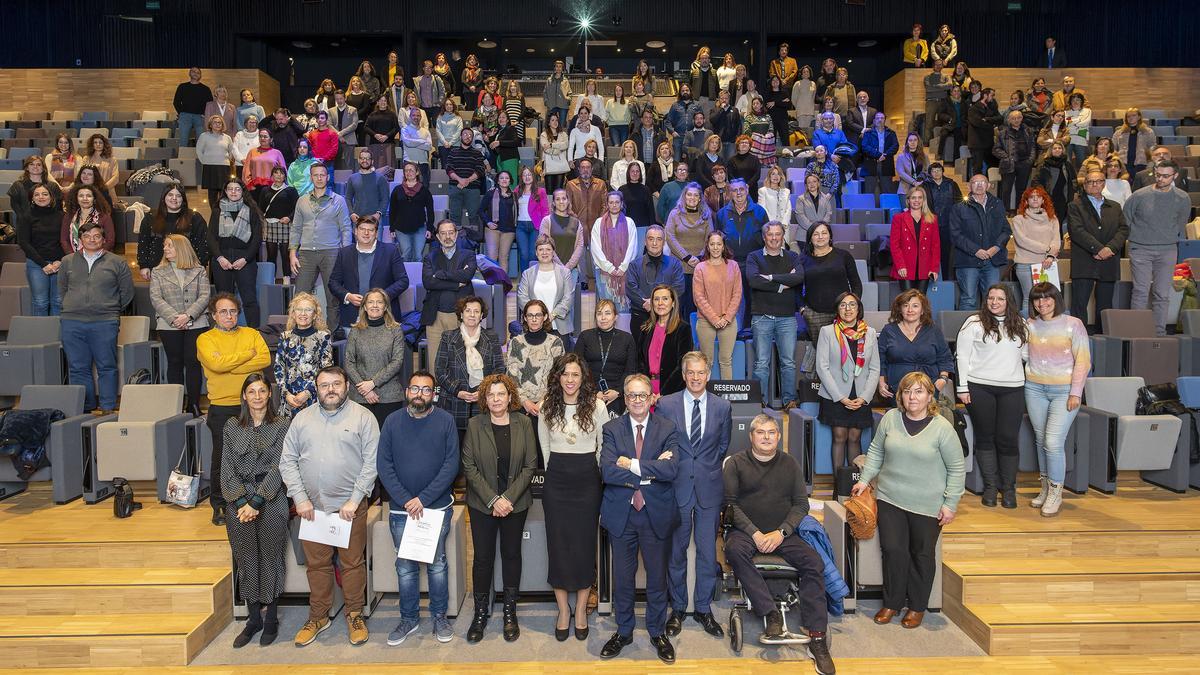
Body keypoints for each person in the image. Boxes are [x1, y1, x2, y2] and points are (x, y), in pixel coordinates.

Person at [724, 414, 835, 673]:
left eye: (771, 432)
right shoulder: (736, 464)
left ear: (779, 436)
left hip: (782, 533)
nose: (766, 437)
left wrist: (781, 532)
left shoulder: (790, 464)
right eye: (760, 432)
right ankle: (770, 611)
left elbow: (801, 505)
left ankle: (817, 637)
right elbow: (730, 505)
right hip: (746, 533)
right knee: (733, 550)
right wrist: (755, 533)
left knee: (813, 562)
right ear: (751, 436)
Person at [853, 371, 964, 630]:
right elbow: (876, 451)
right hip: (890, 497)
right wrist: (864, 478)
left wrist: (950, 504)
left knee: (922, 555)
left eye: (919, 391)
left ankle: (916, 606)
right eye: (907, 391)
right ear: (900, 395)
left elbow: (957, 469)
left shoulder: (942, 428)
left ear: (929, 396)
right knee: (893, 551)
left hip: (928, 504)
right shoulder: (890, 419)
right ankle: (891, 602)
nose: (912, 397)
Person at [280, 366, 379, 647]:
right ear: (317, 388)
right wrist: (299, 498)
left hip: (350, 508)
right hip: (313, 510)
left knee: (351, 564)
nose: (331, 389)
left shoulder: (363, 417)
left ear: (347, 387)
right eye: (324, 385)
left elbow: (372, 462)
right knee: (317, 565)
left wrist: (355, 498)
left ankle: (354, 614)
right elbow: (287, 460)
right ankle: (319, 616)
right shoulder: (302, 419)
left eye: (336, 384)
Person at [598, 373, 681, 664]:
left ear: (652, 397)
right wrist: (652, 469)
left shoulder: (667, 428)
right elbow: (608, 472)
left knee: (657, 578)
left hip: (655, 514)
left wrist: (631, 465)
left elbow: (672, 471)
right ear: (624, 396)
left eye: (642, 395)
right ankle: (624, 631)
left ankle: (658, 632)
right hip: (622, 515)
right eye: (631, 395)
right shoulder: (612, 428)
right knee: (622, 579)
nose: (636, 400)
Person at [456, 372, 539, 644]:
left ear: (510, 396)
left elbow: (530, 466)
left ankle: (509, 611)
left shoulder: (524, 423)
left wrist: (508, 499)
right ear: (484, 398)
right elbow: (469, 466)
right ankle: (480, 613)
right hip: (482, 505)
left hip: (516, 504)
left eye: (501, 394)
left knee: (512, 555)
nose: (496, 399)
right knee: (482, 558)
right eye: (490, 395)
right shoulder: (475, 424)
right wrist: (493, 500)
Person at [655, 351, 731, 638]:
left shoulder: (723, 407)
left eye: (701, 373)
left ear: (708, 375)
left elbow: (722, 447)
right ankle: (677, 608)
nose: (696, 378)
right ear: (684, 375)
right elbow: (662, 443)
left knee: (707, 552)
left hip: (709, 489)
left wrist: (705, 469)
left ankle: (703, 608)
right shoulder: (666, 404)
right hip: (676, 488)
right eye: (691, 373)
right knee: (676, 553)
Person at [537, 353, 610, 639]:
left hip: (587, 480)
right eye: (565, 374)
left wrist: (596, 476)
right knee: (557, 545)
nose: (570, 380)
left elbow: (603, 445)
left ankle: (580, 609)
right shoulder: (547, 406)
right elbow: (544, 444)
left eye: (575, 375)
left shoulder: (597, 406)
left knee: (582, 546)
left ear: (583, 378)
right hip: (557, 480)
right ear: (558, 377)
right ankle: (563, 610)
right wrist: (554, 470)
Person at [219, 373, 290, 648]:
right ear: (244, 396)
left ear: (269, 394)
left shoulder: (283, 424)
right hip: (239, 501)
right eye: (252, 392)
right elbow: (226, 467)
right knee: (246, 559)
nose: (258, 396)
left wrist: (257, 502)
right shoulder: (231, 426)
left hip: (270, 498)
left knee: (271, 557)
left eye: (262, 391)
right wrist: (240, 503)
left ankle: (271, 617)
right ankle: (253, 619)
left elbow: (279, 465)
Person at [197, 293, 271, 525]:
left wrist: (230, 365)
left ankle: (256, 501)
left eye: (233, 311)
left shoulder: (251, 334)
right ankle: (219, 505)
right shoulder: (205, 339)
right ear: (213, 315)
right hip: (222, 405)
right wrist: (247, 356)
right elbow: (216, 365)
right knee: (223, 458)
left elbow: (265, 359)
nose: (229, 316)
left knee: (259, 454)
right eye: (223, 312)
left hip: (254, 405)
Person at [957, 284, 1029, 508]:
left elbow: (1026, 355)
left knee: (1007, 439)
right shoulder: (974, 323)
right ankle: (989, 487)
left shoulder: (1022, 324)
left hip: (1013, 388)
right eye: (991, 298)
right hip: (980, 387)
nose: (994, 302)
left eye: (1000, 298)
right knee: (985, 437)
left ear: (1009, 301)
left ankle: (1008, 489)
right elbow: (962, 356)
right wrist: (962, 388)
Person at [58, 219, 133, 417]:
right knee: (77, 367)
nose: (92, 239)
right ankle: (85, 408)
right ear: (80, 239)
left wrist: (111, 309)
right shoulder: (67, 262)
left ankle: (108, 408)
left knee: (106, 366)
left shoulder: (117, 262)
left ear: (103, 238)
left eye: (96, 236)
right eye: (87, 236)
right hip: (72, 322)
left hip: (105, 321)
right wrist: (70, 306)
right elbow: (62, 289)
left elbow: (127, 293)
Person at [1124, 160, 1191, 336]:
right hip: (1140, 249)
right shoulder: (1139, 195)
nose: (1160, 178)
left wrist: (1168, 237)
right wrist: (1138, 239)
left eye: (1165, 176)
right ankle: (1136, 333)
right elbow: (1126, 220)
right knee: (1140, 291)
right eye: (1158, 174)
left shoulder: (1183, 198)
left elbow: (1181, 222)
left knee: (1162, 293)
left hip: (1167, 250)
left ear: (1175, 175)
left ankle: (1159, 334)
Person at [816, 291, 880, 468]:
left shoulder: (870, 333)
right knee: (839, 437)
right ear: (837, 309)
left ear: (859, 308)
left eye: (852, 304)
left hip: (860, 395)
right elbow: (822, 367)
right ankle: (840, 490)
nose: (848, 309)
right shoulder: (827, 332)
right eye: (843, 305)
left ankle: (854, 488)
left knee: (855, 437)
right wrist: (840, 397)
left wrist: (865, 397)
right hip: (835, 395)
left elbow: (875, 368)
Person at [149, 235, 210, 415]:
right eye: (164, 246)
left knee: (193, 362)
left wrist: (188, 315)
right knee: (174, 362)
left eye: (169, 246)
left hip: (197, 322)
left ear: (181, 248)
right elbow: (156, 298)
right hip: (169, 324)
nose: (165, 249)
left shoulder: (199, 270)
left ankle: (193, 404)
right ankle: (175, 406)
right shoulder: (158, 271)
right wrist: (175, 317)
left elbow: (205, 296)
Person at [748, 222, 803, 408]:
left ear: (783, 236)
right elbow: (754, 281)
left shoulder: (793, 256)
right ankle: (760, 402)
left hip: (786, 317)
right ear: (764, 237)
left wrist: (770, 278)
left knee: (788, 362)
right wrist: (783, 284)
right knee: (761, 363)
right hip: (761, 316)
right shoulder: (753, 257)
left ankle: (789, 401)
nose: (774, 238)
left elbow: (798, 278)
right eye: (770, 234)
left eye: (777, 234)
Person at [290, 163, 352, 328]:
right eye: (315, 175)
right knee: (300, 297)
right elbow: (295, 228)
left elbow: (346, 228)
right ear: (311, 177)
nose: (319, 178)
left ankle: (330, 336)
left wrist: (345, 255)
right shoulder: (302, 201)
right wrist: (292, 253)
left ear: (328, 177)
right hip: (306, 254)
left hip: (331, 253)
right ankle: (300, 334)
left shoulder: (338, 201)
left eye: (322, 175)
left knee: (332, 298)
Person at [1068, 170, 1128, 332]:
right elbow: (1077, 230)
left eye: (1098, 181)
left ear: (1104, 183)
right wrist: (1099, 248)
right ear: (1084, 185)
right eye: (1090, 182)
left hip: (1108, 261)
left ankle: (1103, 340)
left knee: (1105, 305)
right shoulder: (1075, 206)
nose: (1094, 184)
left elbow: (1123, 230)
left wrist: (1110, 248)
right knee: (1079, 305)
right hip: (1084, 261)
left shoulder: (1115, 206)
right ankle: (1079, 340)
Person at [436, 295, 504, 436]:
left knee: (481, 451)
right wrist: (458, 392)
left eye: (476, 311)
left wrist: (484, 391)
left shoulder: (492, 338)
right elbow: (440, 371)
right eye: (468, 311)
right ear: (461, 314)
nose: (472, 315)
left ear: (481, 315)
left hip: (483, 403)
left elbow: (499, 369)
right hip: (454, 403)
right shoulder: (448, 337)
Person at [328, 214, 408, 332]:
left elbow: (403, 281)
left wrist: (381, 297)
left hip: (385, 317)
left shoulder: (391, 251)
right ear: (355, 231)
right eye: (362, 229)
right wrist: (348, 296)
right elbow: (333, 282)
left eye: (370, 230)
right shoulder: (344, 253)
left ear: (376, 233)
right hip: (352, 316)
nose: (366, 233)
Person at [344, 288, 409, 427]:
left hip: (389, 396)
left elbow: (397, 362)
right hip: (360, 396)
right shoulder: (356, 330)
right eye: (371, 302)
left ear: (385, 307)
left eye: (379, 302)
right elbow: (349, 362)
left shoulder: (396, 330)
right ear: (365, 307)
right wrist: (365, 389)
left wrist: (372, 383)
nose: (374, 305)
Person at [877, 290, 954, 402]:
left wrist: (942, 380)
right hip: (897, 389)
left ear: (922, 310)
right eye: (905, 305)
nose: (910, 310)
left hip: (928, 389)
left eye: (915, 306)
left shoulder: (933, 330)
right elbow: (880, 359)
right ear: (900, 309)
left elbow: (945, 358)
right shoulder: (889, 330)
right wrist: (881, 381)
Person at [949, 174, 1012, 310]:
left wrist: (996, 247)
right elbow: (955, 235)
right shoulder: (959, 207)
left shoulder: (997, 204)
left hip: (992, 260)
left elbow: (1006, 230)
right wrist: (976, 250)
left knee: (993, 300)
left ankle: (991, 330)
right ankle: (967, 331)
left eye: (982, 182)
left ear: (988, 185)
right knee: (969, 299)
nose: (979, 185)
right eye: (975, 182)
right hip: (968, 261)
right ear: (968, 186)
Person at [208, 178, 263, 327]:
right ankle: (224, 331)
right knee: (224, 301)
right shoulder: (217, 210)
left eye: (237, 189)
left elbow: (257, 238)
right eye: (230, 189)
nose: (233, 192)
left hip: (245, 259)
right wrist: (220, 258)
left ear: (242, 192)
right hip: (222, 260)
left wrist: (245, 259)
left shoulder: (250, 211)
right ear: (225, 191)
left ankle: (254, 332)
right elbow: (211, 237)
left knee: (249, 299)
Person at [422, 220, 479, 363]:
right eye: (443, 233)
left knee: (460, 361)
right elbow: (428, 282)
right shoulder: (430, 257)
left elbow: (467, 276)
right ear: (438, 236)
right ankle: (437, 387)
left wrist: (441, 275)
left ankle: (460, 387)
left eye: (451, 233)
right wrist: (456, 284)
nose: (447, 236)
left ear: (456, 234)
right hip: (435, 316)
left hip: (460, 316)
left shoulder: (469, 255)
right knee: (435, 362)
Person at [799, 222, 863, 343]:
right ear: (810, 238)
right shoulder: (802, 259)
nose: (820, 237)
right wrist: (803, 309)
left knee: (843, 352)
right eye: (816, 234)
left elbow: (856, 284)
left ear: (830, 236)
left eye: (824, 233)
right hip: (815, 314)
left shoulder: (843, 256)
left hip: (843, 312)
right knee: (820, 352)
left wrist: (853, 306)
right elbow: (796, 288)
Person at [573, 300, 640, 416]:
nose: (603, 317)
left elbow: (630, 371)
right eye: (599, 313)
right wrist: (593, 393)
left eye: (608, 313)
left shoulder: (627, 339)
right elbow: (577, 368)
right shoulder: (585, 336)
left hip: (618, 393)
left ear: (615, 317)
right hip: (588, 392)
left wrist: (618, 392)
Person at [274, 292, 333, 419]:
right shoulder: (285, 337)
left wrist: (307, 392)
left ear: (315, 315)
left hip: (313, 398)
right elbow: (279, 368)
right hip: (289, 399)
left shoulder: (323, 337)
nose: (303, 313)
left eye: (308, 310)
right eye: (299, 309)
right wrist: (286, 394)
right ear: (293, 314)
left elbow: (326, 370)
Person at [693, 231, 742, 380]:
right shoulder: (700, 268)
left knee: (726, 361)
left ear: (723, 246)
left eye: (718, 244)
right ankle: (704, 398)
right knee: (706, 362)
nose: (715, 247)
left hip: (728, 321)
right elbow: (698, 297)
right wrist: (715, 319)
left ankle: (726, 400)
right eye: (712, 244)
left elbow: (737, 294)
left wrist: (726, 318)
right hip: (705, 321)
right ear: (707, 246)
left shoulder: (733, 266)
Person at [507, 298, 566, 419]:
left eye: (538, 315)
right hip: (521, 407)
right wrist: (525, 402)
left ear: (544, 317)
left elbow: (559, 376)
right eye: (530, 315)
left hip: (549, 405)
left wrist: (543, 402)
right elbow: (511, 376)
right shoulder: (516, 342)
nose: (534, 319)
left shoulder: (555, 342)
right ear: (524, 318)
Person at [636, 285, 694, 401]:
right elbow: (640, 361)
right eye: (656, 299)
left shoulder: (683, 329)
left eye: (665, 299)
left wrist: (663, 394)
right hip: (647, 391)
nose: (660, 303)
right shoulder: (646, 329)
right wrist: (646, 390)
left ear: (673, 303)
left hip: (672, 391)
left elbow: (682, 365)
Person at [1011, 186, 1061, 315]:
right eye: (1031, 197)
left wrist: (1050, 256)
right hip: (1025, 264)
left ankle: (1046, 328)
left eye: (1038, 196)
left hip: (1047, 263)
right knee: (1029, 298)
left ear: (1043, 200)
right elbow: (1022, 241)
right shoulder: (1018, 219)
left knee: (1047, 299)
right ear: (1026, 201)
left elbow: (1056, 240)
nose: (1035, 199)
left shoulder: (1053, 218)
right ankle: (1025, 329)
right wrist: (1047, 249)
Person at [626, 225, 686, 333]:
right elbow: (631, 289)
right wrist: (651, 304)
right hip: (641, 317)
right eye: (651, 239)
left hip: (668, 319)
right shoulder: (634, 265)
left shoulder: (675, 264)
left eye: (659, 239)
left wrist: (656, 303)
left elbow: (679, 287)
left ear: (664, 242)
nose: (654, 243)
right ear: (645, 241)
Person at [17, 185, 65, 316]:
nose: (41, 197)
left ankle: (58, 335)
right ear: (32, 198)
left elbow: (66, 240)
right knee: (40, 302)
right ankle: (41, 336)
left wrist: (59, 261)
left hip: (59, 264)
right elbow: (24, 243)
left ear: (51, 197)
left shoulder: (62, 216)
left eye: (44, 194)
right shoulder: (26, 217)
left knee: (58, 302)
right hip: (36, 264)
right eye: (37, 194)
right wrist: (43, 264)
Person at [591, 191, 639, 313]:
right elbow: (596, 248)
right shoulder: (598, 223)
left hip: (625, 272)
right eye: (611, 202)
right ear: (607, 204)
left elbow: (632, 247)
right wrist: (610, 268)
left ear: (622, 204)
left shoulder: (629, 222)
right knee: (606, 308)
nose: (614, 205)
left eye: (617, 202)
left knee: (624, 310)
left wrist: (623, 267)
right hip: (605, 273)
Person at [517, 236, 574, 336]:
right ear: (536, 252)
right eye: (541, 249)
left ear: (553, 252)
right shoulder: (527, 274)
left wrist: (551, 316)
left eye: (548, 249)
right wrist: (538, 316)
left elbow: (568, 298)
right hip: (534, 327)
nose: (544, 253)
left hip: (559, 327)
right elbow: (522, 298)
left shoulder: (565, 273)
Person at [890, 186, 941, 293]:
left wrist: (934, 268)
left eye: (919, 197)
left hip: (925, 267)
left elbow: (935, 246)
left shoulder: (932, 219)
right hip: (905, 267)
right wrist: (900, 266)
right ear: (908, 200)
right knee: (907, 300)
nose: (916, 201)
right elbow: (895, 245)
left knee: (921, 300)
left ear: (924, 200)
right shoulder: (899, 218)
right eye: (913, 198)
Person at [257, 167, 300, 279]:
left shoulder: (290, 190)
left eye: (281, 173)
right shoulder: (265, 190)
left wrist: (289, 218)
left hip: (285, 226)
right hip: (270, 225)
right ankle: (270, 280)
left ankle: (287, 280)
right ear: (272, 176)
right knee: (271, 256)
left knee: (286, 255)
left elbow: (297, 208)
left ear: (285, 176)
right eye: (276, 173)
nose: (278, 175)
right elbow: (260, 208)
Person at [388, 162, 435, 262]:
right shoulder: (397, 190)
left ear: (417, 172)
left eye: (411, 170)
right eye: (406, 170)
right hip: (401, 228)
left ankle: (416, 277)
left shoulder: (424, 190)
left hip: (420, 228)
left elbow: (430, 211)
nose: (408, 172)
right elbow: (392, 210)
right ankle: (405, 277)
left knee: (418, 256)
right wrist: (392, 229)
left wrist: (429, 228)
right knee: (406, 255)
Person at [60, 184, 114, 255]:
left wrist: (95, 255)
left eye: (89, 196)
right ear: (76, 199)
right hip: (74, 258)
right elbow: (64, 240)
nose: (85, 199)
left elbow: (110, 241)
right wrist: (72, 256)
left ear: (94, 199)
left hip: (98, 258)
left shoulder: (104, 217)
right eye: (81, 196)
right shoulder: (69, 216)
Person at [198, 116, 236, 214]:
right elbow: (199, 151)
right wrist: (205, 161)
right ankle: (215, 213)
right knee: (212, 193)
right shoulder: (204, 136)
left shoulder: (227, 137)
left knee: (224, 191)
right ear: (210, 125)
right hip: (210, 167)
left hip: (224, 167)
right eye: (215, 122)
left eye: (219, 123)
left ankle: (224, 212)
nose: (217, 124)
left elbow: (231, 152)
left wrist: (228, 160)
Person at [966, 87, 1003, 178]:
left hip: (988, 143)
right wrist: (992, 124)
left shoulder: (991, 107)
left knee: (993, 164)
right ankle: (976, 185)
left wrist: (987, 119)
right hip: (977, 144)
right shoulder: (974, 108)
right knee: (977, 167)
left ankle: (987, 185)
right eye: (992, 95)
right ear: (985, 95)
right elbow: (978, 123)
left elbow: (1000, 118)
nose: (993, 98)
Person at [792, 174, 834, 249]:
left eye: (814, 181)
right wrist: (815, 229)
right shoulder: (800, 199)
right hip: (804, 236)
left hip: (822, 237)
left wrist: (820, 229)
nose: (812, 184)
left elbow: (828, 214)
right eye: (809, 182)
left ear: (818, 183)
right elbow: (800, 216)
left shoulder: (826, 198)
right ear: (806, 185)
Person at [173, 67, 212, 147]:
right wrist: (181, 113)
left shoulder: (205, 89)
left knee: (201, 141)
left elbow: (210, 104)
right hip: (185, 116)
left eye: (198, 72)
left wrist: (205, 115)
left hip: (200, 117)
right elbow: (176, 102)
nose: (196, 73)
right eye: (193, 71)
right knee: (183, 141)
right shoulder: (182, 86)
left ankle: (199, 159)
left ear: (200, 75)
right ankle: (183, 159)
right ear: (189, 73)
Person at [1112, 108, 1154, 175]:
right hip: (1123, 163)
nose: (1131, 118)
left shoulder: (1148, 131)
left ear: (1139, 117)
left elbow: (1152, 147)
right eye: (1128, 116)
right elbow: (1113, 148)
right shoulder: (1119, 132)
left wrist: (1150, 162)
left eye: (1133, 115)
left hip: (1141, 163)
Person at [922, 60, 952, 145]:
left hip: (943, 102)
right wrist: (943, 87)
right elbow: (928, 89)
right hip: (931, 102)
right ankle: (927, 142)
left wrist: (936, 86)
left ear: (942, 66)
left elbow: (950, 86)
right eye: (936, 65)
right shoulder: (927, 77)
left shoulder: (946, 76)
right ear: (933, 66)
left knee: (943, 122)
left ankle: (941, 143)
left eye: (940, 65)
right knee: (929, 123)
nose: (938, 66)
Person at [742, 97, 777, 169]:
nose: (755, 105)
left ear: (761, 105)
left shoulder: (768, 117)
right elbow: (746, 131)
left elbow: (771, 130)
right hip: (754, 147)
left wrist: (765, 140)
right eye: (753, 104)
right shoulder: (749, 117)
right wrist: (758, 139)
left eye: (757, 103)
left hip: (767, 146)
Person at [861, 112, 899, 179]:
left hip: (886, 164)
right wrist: (878, 155)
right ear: (874, 120)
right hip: (871, 164)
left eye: (882, 118)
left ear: (885, 120)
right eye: (877, 118)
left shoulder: (891, 133)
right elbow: (865, 147)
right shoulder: (868, 133)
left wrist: (885, 155)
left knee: (887, 188)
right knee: (870, 189)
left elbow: (895, 146)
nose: (880, 120)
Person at [656, 161, 691, 226]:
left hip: (688, 223)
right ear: (675, 173)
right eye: (680, 170)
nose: (682, 172)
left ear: (688, 173)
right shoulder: (667, 187)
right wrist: (665, 220)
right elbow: (660, 206)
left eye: (684, 170)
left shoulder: (692, 187)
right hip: (670, 223)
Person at [895, 132, 927, 196]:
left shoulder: (925, 157)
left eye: (915, 140)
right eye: (910, 140)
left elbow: (927, 171)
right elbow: (901, 173)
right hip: (905, 190)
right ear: (907, 142)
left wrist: (920, 179)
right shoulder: (901, 157)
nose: (913, 142)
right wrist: (914, 182)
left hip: (920, 189)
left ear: (918, 142)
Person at [543, 60, 573, 127]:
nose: (558, 68)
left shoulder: (565, 81)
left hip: (563, 105)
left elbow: (569, 93)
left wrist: (568, 100)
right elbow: (545, 92)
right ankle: (551, 137)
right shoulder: (549, 80)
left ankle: (560, 137)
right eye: (557, 66)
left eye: (560, 67)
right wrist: (546, 101)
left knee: (561, 125)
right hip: (551, 105)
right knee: (550, 124)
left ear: (562, 68)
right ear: (554, 68)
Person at [791, 64, 818, 130]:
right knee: (802, 130)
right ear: (801, 74)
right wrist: (798, 107)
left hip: (810, 111)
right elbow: (793, 99)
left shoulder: (813, 84)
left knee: (809, 130)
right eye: (804, 72)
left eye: (807, 71)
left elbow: (813, 98)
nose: (806, 73)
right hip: (801, 111)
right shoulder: (797, 83)